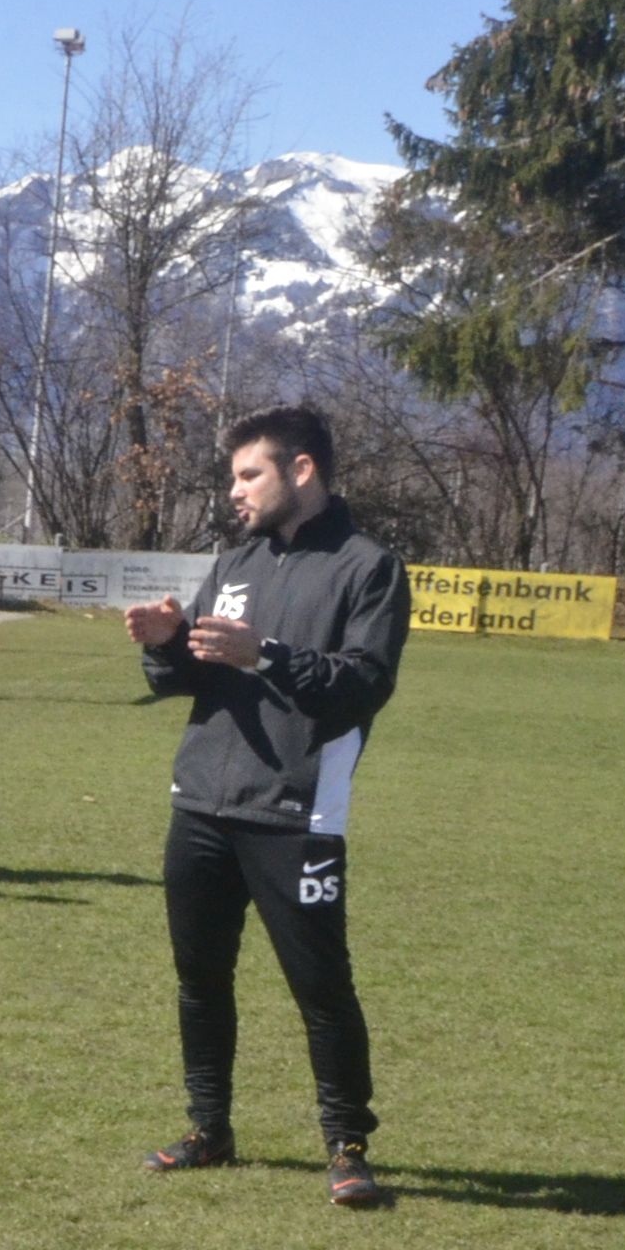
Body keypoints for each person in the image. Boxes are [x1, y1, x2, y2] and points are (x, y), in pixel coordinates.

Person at [125, 403, 406, 1208]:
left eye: (250, 474)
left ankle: (348, 1148)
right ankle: (209, 1128)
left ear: (301, 469)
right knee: (200, 978)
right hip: (201, 805)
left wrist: (268, 656)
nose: (236, 490)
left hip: (296, 813)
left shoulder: (368, 568)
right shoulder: (236, 562)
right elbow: (194, 678)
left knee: (321, 989)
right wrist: (165, 647)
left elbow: (362, 685)